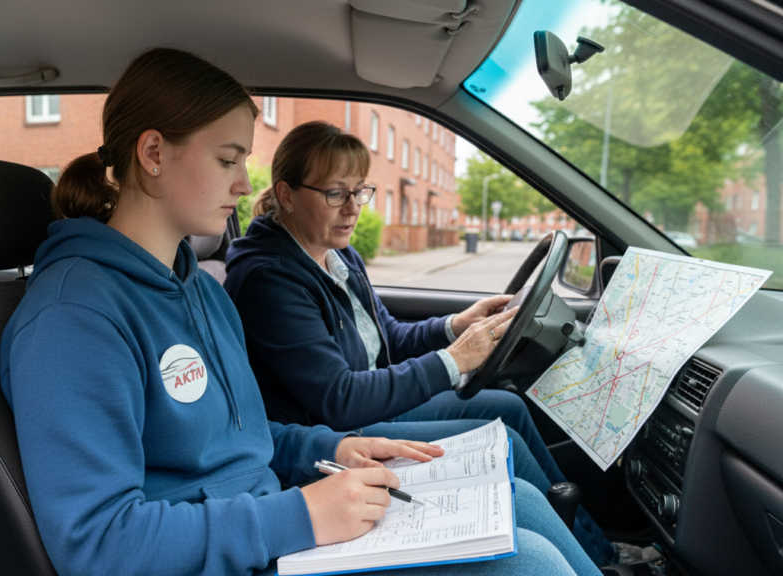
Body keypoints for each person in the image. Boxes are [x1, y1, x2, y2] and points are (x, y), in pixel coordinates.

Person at [0, 47, 600, 576]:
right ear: (154, 152)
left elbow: (245, 437)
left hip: (272, 526)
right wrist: (300, 515)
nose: (245, 184)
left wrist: (329, 449)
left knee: (519, 502)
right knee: (528, 562)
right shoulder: (73, 317)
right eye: (228, 160)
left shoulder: (200, 289)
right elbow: (98, 545)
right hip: (243, 550)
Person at [222, 121, 617, 566]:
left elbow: (387, 337)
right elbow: (340, 398)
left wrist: (455, 326)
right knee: (501, 435)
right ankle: (596, 558)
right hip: (334, 433)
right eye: (335, 194)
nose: (352, 209)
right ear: (287, 194)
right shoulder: (269, 279)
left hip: (369, 407)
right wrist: (454, 359)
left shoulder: (338, 255)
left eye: (360, 191)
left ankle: (597, 550)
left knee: (508, 408)